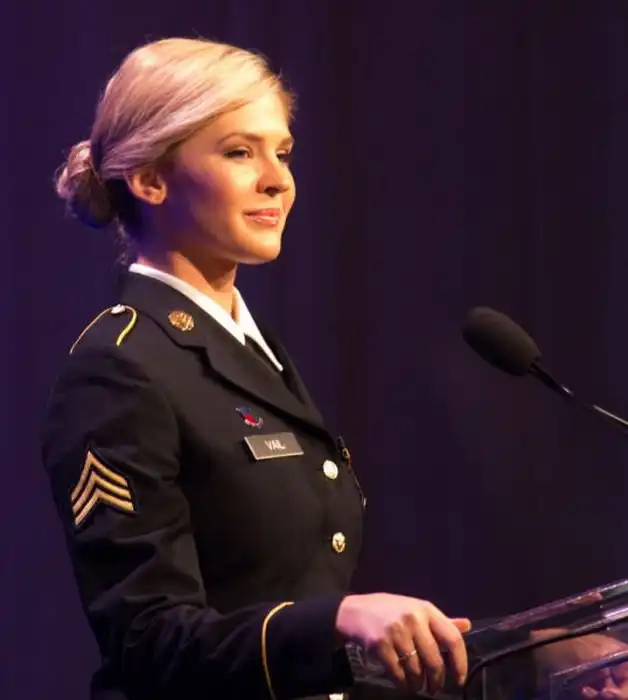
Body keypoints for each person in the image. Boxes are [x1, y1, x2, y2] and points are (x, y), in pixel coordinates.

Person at [42, 36, 471, 700]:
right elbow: (147, 643)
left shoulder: (250, 350)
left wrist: (536, 656)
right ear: (151, 179)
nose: (277, 179)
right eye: (240, 152)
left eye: (283, 152)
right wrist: (338, 620)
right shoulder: (119, 368)